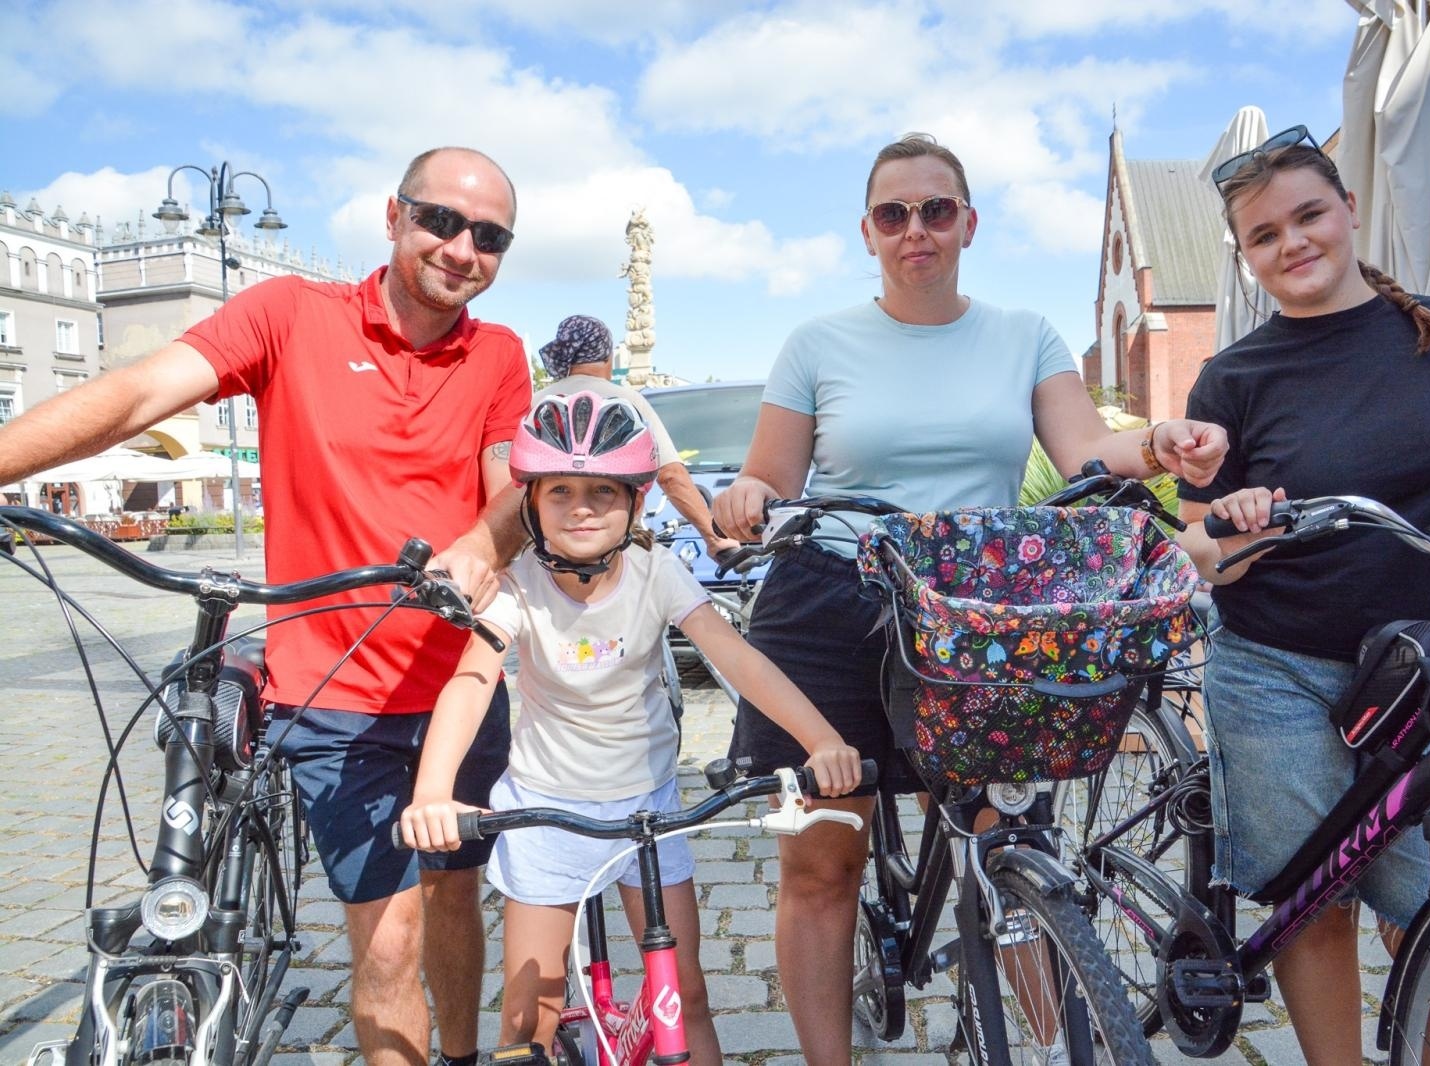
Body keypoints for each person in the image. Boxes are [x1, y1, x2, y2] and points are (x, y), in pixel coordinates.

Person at [707, 131, 1229, 1065]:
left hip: (976, 612)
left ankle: (1055, 1040)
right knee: (824, 863)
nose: (916, 229)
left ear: (969, 224)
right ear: (868, 231)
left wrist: (1157, 443)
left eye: (936, 210)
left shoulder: (1024, 334)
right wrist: (746, 498)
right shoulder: (817, 344)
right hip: (832, 600)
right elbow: (769, 480)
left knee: (1006, 832)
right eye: (893, 213)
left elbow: (1086, 453)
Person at [0, 146, 529, 1066]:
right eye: (441, 220)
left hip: (460, 683)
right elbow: (140, 392)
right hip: (334, 692)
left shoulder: (498, 354)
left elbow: (509, 489)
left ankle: (461, 1056)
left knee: (454, 889)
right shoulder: (290, 314)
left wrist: (484, 544)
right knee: (389, 935)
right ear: (394, 216)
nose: (461, 249)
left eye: (489, 237)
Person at [1175, 126, 1430, 1066]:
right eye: (1265, 234)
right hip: (1278, 672)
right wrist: (1236, 527)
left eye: (1309, 215)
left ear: (1349, 209)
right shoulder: (1233, 378)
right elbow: (1200, 550)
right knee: (1314, 902)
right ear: (1246, 256)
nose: (1293, 243)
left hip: (1423, 666)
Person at [398, 391, 863, 1063]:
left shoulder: (656, 572)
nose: (581, 507)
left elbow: (740, 660)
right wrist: (433, 792)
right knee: (528, 1015)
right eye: (560, 491)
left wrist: (821, 740)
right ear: (530, 502)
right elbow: (472, 683)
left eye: (603, 491)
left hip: (647, 807)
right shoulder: (518, 584)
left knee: (686, 996)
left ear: (636, 503)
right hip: (545, 813)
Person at [533, 313, 742, 560]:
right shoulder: (626, 400)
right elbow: (670, 475)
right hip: (610, 547)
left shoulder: (536, 402)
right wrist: (714, 537)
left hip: (544, 547)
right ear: (607, 356)